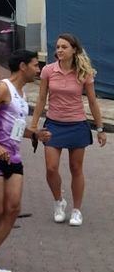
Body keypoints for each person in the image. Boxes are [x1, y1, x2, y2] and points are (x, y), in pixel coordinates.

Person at [0, 50, 51, 272]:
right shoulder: (3, 88)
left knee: (12, 209)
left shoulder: (21, 93)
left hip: (14, 159)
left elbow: (15, 127)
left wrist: (34, 134)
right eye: (35, 65)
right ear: (23, 66)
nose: (38, 70)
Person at [30, 33, 106, 226]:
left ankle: (76, 210)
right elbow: (40, 100)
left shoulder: (83, 72)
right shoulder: (48, 70)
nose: (60, 50)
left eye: (64, 47)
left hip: (77, 125)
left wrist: (100, 128)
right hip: (54, 124)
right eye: (57, 47)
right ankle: (59, 202)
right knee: (51, 167)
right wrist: (33, 125)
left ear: (74, 50)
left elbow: (92, 101)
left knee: (76, 168)